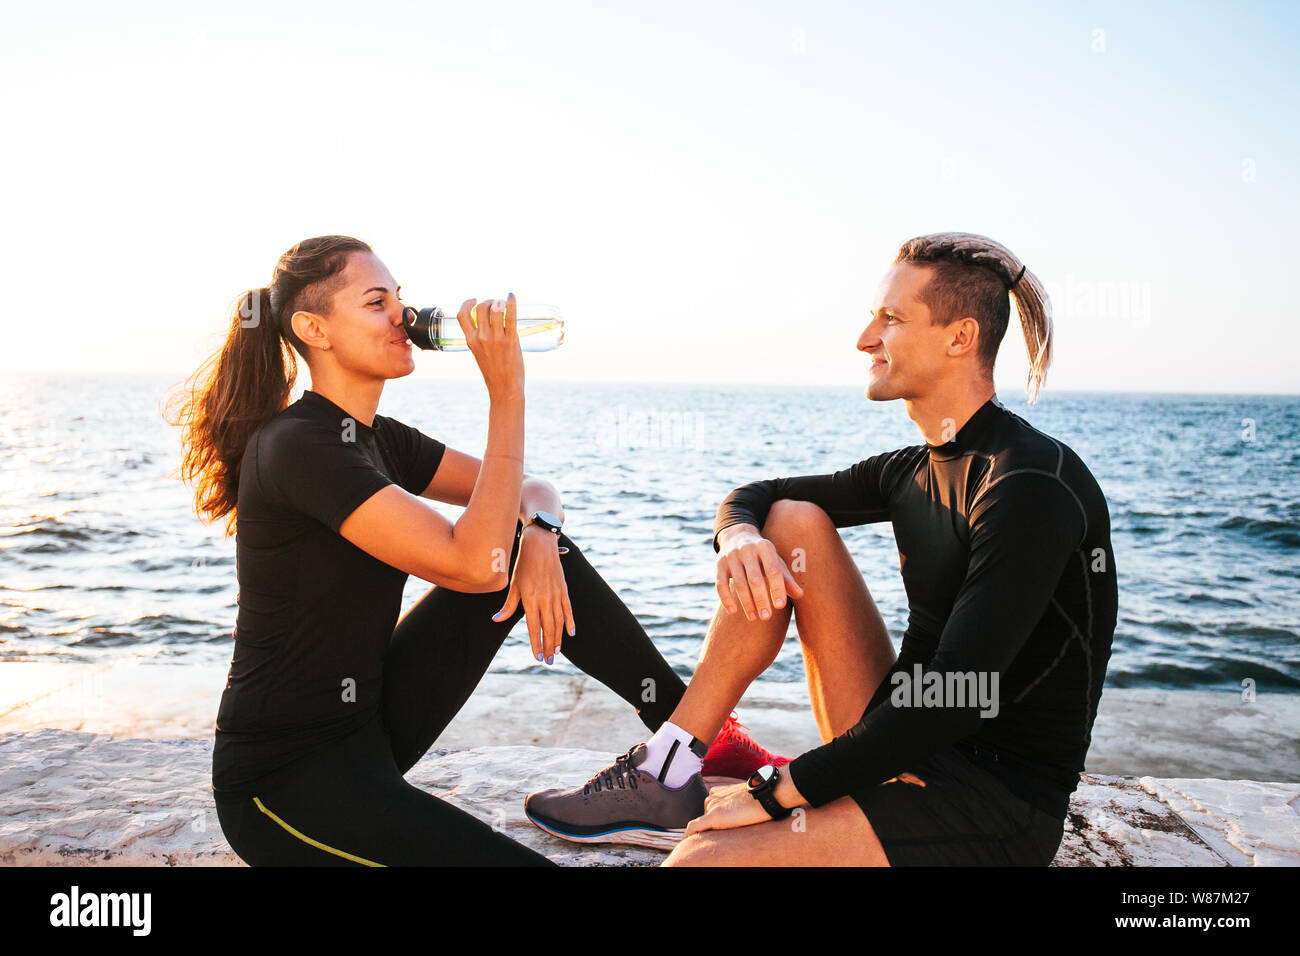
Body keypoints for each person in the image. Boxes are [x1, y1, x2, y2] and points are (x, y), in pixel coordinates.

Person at [167, 235, 778, 866]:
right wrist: (507, 395)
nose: (402, 316)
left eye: (400, 299)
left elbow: (530, 488)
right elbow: (468, 562)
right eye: (377, 302)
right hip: (286, 780)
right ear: (312, 329)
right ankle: (689, 750)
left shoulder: (377, 438)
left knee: (522, 547)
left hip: (371, 727)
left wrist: (538, 534)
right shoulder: (297, 446)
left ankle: (681, 749)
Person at [524, 231, 1119, 866]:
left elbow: (960, 693)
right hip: (901, 745)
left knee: (703, 861)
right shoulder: (914, 469)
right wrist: (739, 536)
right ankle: (668, 768)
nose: (866, 339)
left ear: (959, 337)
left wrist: (782, 790)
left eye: (890, 319)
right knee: (791, 519)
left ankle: (748, 796)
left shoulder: (1025, 484)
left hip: (991, 801)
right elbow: (759, 494)